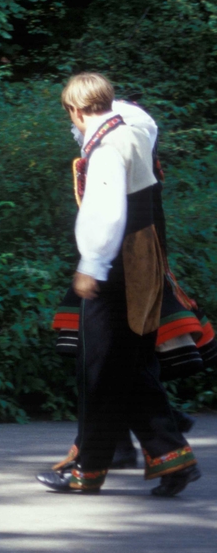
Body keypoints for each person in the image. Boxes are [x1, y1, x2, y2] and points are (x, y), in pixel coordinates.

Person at [37, 74, 200, 495]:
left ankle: (91, 470)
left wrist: (91, 265)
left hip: (117, 263)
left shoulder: (107, 149)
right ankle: (164, 459)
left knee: (100, 366)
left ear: (74, 109)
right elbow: (136, 121)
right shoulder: (133, 130)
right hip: (145, 258)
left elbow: (107, 213)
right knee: (121, 366)